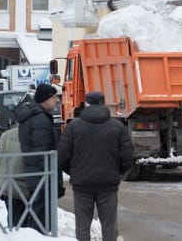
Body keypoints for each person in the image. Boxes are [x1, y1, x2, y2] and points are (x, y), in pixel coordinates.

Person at [58, 91, 134, 241]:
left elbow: (62, 156)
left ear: (86, 104)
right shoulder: (117, 126)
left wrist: (74, 171)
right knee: (109, 225)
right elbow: (127, 156)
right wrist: (116, 172)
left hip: (82, 184)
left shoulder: (73, 127)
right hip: (108, 184)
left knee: (82, 225)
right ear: (103, 103)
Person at [15, 83, 65, 234]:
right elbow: (42, 153)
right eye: (55, 97)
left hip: (35, 176)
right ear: (46, 99)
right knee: (41, 221)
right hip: (42, 178)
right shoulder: (40, 120)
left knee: (39, 218)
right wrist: (51, 176)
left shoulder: (33, 117)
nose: (57, 101)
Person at [0, 125, 30, 228]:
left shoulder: (6, 135)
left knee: (13, 222)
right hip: (27, 189)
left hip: (7, 187)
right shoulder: (34, 135)